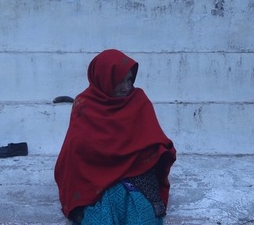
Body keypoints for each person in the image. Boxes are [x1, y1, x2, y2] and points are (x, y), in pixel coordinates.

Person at [54, 49, 177, 224]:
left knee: (143, 218)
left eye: (129, 80)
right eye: (120, 81)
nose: (127, 87)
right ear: (105, 79)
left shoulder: (138, 100)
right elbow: (75, 154)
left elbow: (154, 142)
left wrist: (150, 155)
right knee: (99, 218)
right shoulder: (85, 105)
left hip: (136, 174)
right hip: (96, 178)